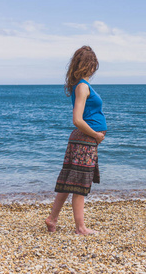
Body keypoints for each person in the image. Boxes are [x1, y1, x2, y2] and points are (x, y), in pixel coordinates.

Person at [46, 45, 107, 235]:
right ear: (88, 65)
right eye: (92, 64)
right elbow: (77, 119)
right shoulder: (82, 86)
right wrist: (96, 135)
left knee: (69, 182)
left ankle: (52, 218)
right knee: (79, 185)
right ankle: (80, 228)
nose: (93, 68)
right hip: (84, 140)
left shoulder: (81, 85)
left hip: (83, 140)